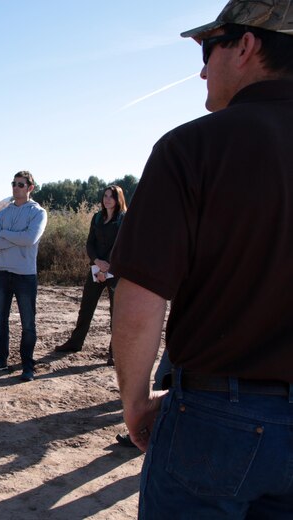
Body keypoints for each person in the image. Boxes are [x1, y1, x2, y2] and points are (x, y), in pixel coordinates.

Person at [110, 1, 293, 516]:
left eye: (210, 49)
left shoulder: (191, 148)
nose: (201, 68)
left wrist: (136, 403)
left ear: (247, 44)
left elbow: (141, 297)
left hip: (216, 419)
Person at [0, 171, 47, 382]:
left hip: (25, 275)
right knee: (0, 321)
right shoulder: (2, 214)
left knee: (28, 323)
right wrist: (16, 237)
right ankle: (0, 360)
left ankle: (27, 365)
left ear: (30, 188)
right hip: (2, 273)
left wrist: (6, 235)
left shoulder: (38, 212)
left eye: (20, 184)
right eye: (14, 184)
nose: (16, 187)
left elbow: (30, 238)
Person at [56, 186, 127, 365]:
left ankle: (115, 352)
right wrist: (96, 261)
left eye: (112, 196)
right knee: (86, 307)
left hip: (115, 271)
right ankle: (75, 343)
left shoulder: (124, 219)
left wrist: (106, 267)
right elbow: (90, 243)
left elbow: (122, 246)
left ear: (119, 199)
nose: (108, 199)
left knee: (116, 312)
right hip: (96, 268)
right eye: (105, 196)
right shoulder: (97, 217)